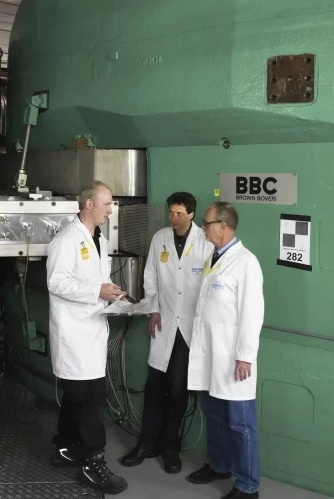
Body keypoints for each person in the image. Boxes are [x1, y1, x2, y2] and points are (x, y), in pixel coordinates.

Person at [45, 180, 129, 494]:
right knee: (92, 401)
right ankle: (93, 464)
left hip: (92, 328)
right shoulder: (67, 239)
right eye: (107, 204)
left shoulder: (98, 239)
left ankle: (65, 447)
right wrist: (97, 291)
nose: (111, 210)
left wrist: (112, 296)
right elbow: (56, 282)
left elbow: (98, 279)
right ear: (89, 204)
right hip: (74, 334)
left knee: (77, 398)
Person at [121, 192, 212, 473]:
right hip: (163, 324)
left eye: (179, 214)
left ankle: (171, 449)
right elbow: (150, 276)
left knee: (177, 391)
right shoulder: (160, 238)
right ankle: (146, 444)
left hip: (189, 329)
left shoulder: (205, 243)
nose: (173, 218)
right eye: (171, 213)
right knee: (155, 386)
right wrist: (153, 309)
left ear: (192, 215)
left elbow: (208, 285)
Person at [186, 202, 264, 499]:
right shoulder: (214, 257)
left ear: (223, 226)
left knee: (240, 424)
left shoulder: (246, 263)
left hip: (233, 360)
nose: (203, 229)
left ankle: (248, 487)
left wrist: (245, 355)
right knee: (216, 417)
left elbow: (252, 313)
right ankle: (220, 465)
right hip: (210, 356)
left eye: (206, 224)